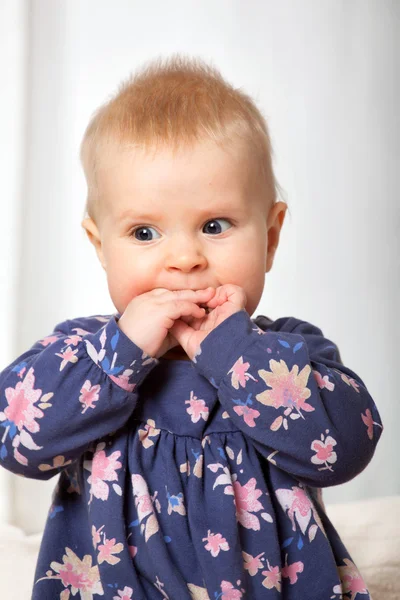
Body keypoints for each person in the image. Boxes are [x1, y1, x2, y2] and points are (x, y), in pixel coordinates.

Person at [0, 54, 383, 600]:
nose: (184, 258)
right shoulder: (82, 355)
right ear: (100, 246)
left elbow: (348, 445)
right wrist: (121, 353)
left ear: (270, 238)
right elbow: (14, 439)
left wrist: (234, 354)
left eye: (214, 225)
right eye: (144, 232)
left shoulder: (288, 353)